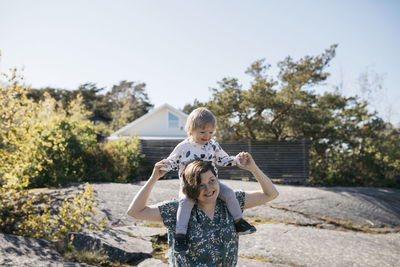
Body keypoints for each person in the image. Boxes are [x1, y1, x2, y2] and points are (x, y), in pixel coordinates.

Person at [126, 152, 279, 266]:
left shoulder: (231, 202)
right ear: (191, 188)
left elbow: (271, 194)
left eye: (212, 180)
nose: (208, 188)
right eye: (200, 184)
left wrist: (253, 168)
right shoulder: (178, 210)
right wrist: (154, 178)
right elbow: (135, 211)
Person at [160, 107, 256, 253]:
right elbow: (173, 161)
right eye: (202, 132)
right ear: (191, 130)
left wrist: (236, 160)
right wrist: (165, 165)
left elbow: (223, 159)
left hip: (211, 184)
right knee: (185, 202)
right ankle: (180, 237)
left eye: (210, 132)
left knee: (229, 193)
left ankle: (239, 222)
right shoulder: (183, 147)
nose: (207, 136)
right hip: (190, 186)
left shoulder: (212, 145)